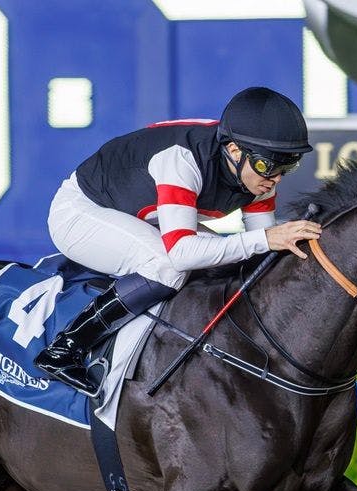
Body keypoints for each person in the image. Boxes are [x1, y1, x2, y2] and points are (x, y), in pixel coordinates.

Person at [33, 86, 324, 395]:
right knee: (166, 266)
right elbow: (183, 253)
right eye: (269, 166)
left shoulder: (256, 172)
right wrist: (266, 238)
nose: (276, 178)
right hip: (82, 212)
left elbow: (261, 251)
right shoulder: (182, 161)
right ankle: (64, 350)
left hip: (142, 216)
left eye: (288, 166)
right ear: (235, 151)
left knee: (230, 263)